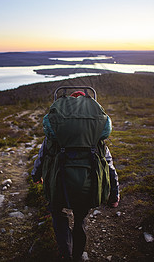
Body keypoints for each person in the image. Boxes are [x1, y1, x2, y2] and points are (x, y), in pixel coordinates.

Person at [32, 90, 119, 262]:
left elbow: (41, 157)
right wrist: (114, 194)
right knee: (80, 218)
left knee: (57, 211)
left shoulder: (54, 136)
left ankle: (66, 251)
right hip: (88, 184)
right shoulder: (97, 139)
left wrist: (36, 175)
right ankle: (78, 254)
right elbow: (109, 166)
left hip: (59, 183)